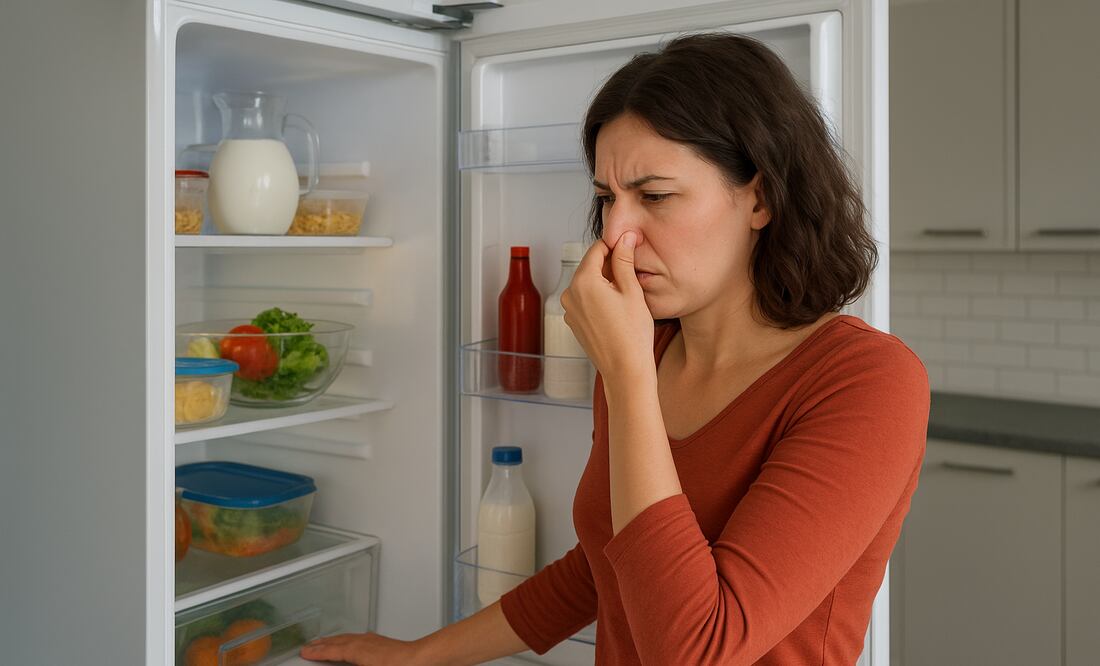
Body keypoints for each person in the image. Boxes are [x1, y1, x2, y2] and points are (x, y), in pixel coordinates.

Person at [301, 32, 929, 666]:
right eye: (607, 199)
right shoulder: (645, 350)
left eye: (654, 196)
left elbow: (696, 650)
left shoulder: (866, 382)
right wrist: (420, 655)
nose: (616, 232)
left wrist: (628, 378)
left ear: (760, 199)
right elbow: (605, 564)